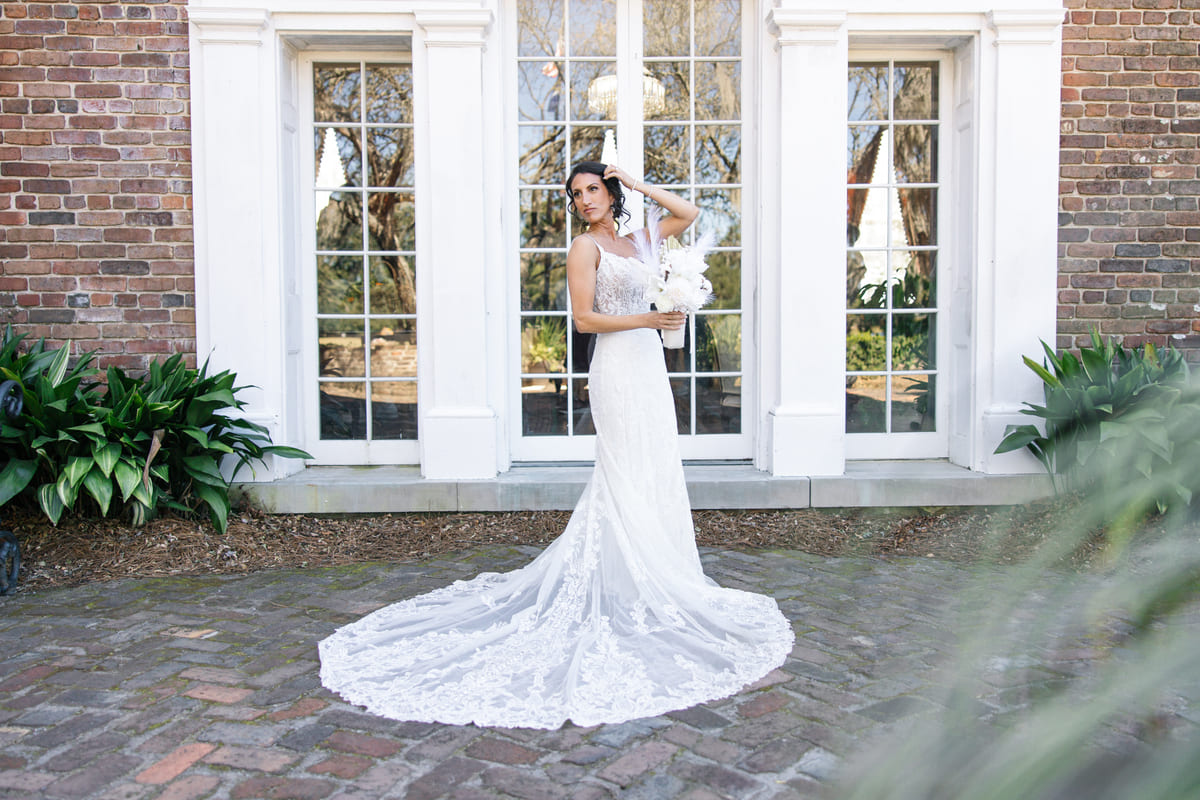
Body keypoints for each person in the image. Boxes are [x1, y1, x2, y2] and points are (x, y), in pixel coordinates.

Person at [318, 162, 794, 730]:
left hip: (649, 370)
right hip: (617, 367)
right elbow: (586, 319)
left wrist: (638, 185)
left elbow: (690, 214)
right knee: (620, 471)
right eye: (576, 194)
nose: (585, 200)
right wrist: (651, 316)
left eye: (593, 189)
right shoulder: (583, 247)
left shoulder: (641, 237)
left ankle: (660, 575)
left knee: (655, 465)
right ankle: (624, 582)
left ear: (610, 192)